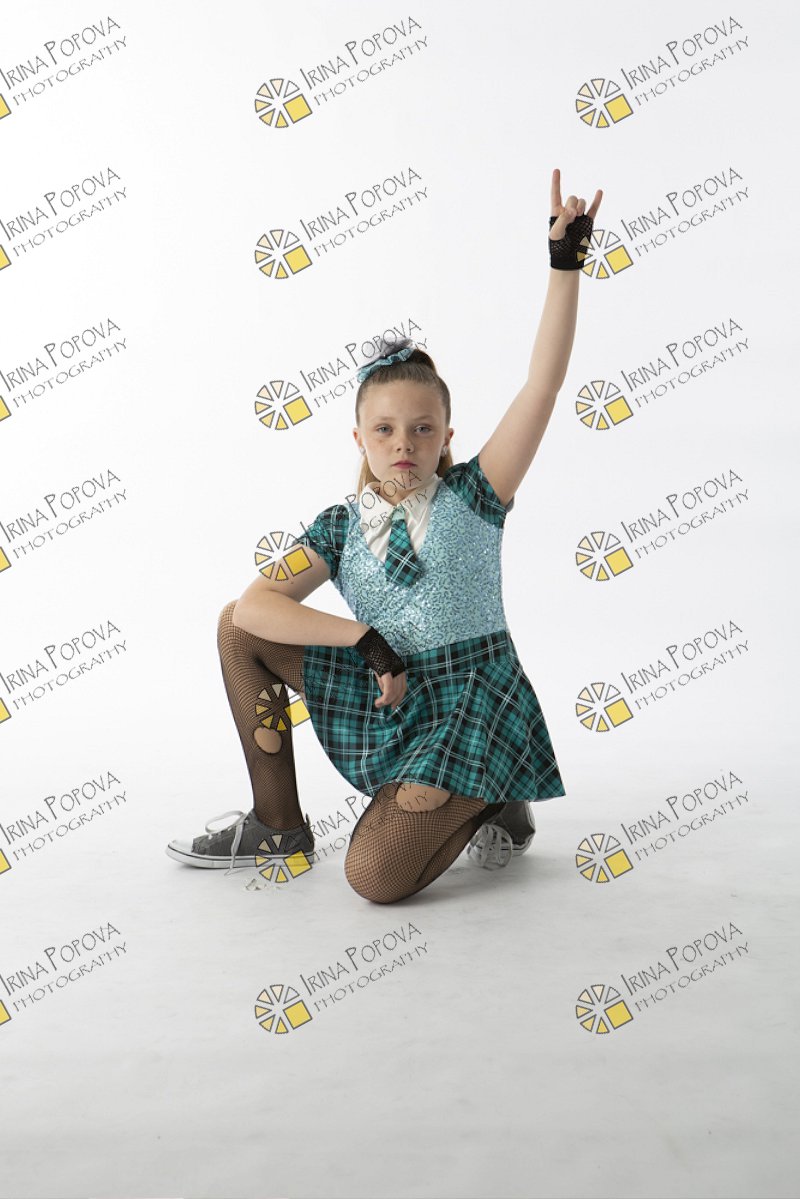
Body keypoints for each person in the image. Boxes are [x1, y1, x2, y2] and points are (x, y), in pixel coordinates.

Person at [166, 169, 603, 903]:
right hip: (393, 685)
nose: (405, 443)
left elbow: (542, 387)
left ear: (447, 436)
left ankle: (491, 788)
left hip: (468, 702)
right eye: (386, 429)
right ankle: (278, 823)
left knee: (373, 878)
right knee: (237, 629)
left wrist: (565, 265)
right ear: (360, 438)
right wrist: (365, 639)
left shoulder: (477, 494)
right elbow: (253, 607)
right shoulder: (339, 525)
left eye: (423, 429)